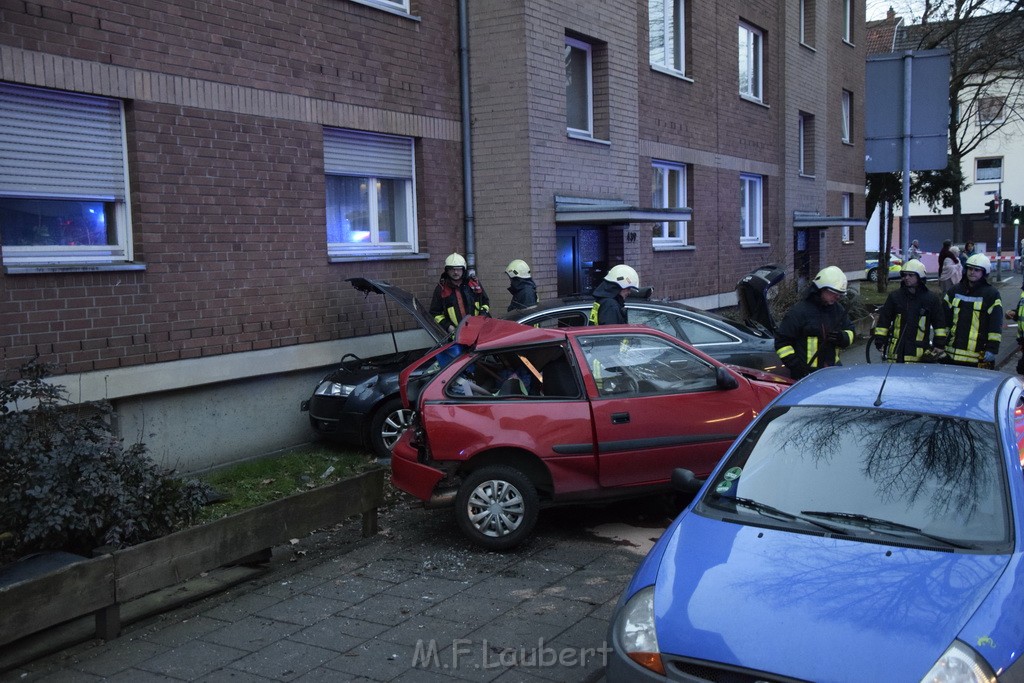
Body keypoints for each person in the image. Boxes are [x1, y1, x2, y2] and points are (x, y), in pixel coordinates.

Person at [774, 266, 854, 380]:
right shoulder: (799, 312)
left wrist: (842, 337)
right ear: (821, 289)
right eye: (834, 293)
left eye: (840, 294)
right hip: (805, 376)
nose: (837, 297)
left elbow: (851, 330)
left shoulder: (838, 309)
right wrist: (796, 366)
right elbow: (782, 342)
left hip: (833, 372)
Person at [872, 259, 947, 363]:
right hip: (896, 353)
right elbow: (884, 319)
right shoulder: (895, 296)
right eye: (904, 275)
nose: (906, 278)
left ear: (919, 277)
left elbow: (939, 324)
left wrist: (939, 344)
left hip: (919, 354)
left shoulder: (931, 299)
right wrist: (880, 339)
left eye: (911, 275)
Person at [943, 253, 1002, 367]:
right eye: (970, 268)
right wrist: (939, 343)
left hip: (977, 356)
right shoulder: (954, 291)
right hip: (951, 354)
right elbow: (944, 319)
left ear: (984, 272)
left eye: (977, 270)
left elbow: (995, 325)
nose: (972, 272)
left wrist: (992, 348)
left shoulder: (991, 294)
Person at [429, 252, 490, 333]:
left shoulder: (474, 284)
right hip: (456, 334)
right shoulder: (441, 289)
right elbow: (435, 313)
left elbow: (485, 302)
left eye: (458, 269)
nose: (455, 272)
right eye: (452, 269)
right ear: (447, 270)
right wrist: (448, 327)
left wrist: (482, 317)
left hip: (478, 329)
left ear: (463, 269)